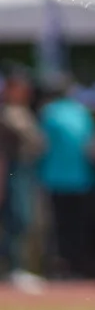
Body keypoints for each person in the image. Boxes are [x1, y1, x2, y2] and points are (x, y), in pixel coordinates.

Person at [38, 74, 94, 280]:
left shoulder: (49, 112)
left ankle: (58, 269)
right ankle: (74, 267)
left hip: (54, 178)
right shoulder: (81, 113)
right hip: (79, 178)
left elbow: (40, 145)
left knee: (56, 228)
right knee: (75, 227)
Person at [0, 64, 46, 291]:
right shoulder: (6, 113)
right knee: (17, 218)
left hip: (26, 169)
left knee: (25, 219)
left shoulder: (23, 111)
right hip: (12, 169)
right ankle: (13, 269)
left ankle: (17, 268)